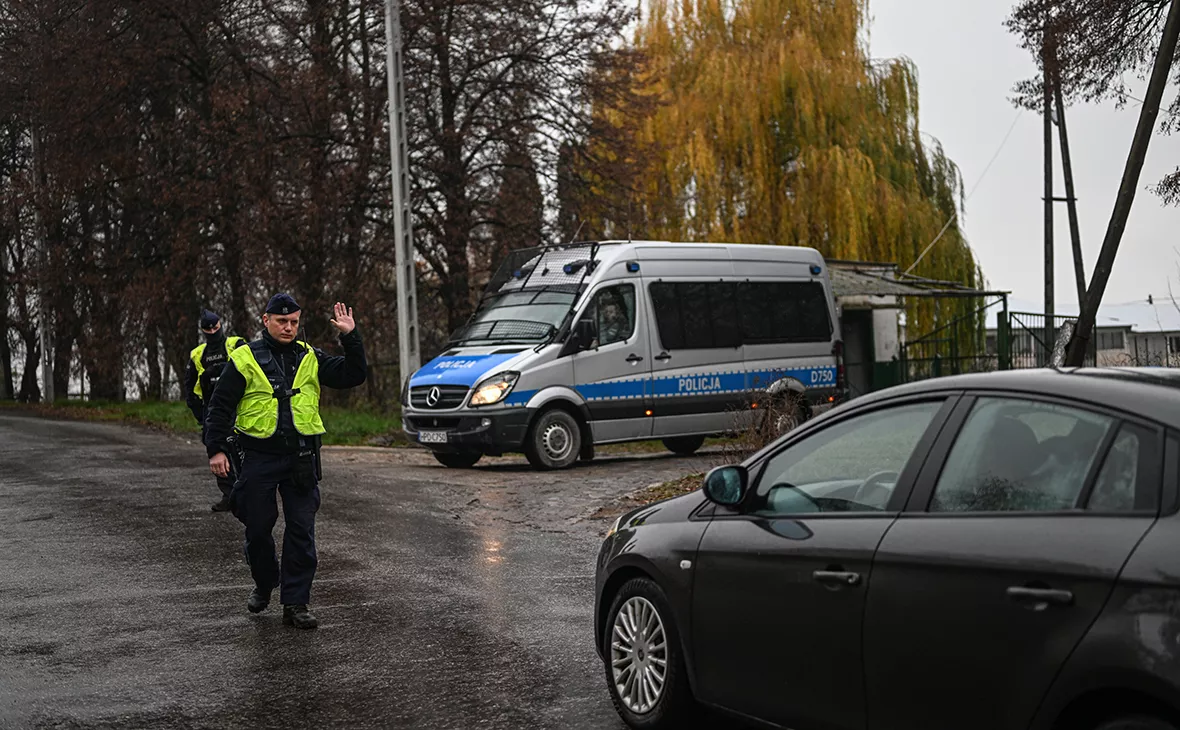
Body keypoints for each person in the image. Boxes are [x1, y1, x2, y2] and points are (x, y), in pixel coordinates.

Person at [203, 294, 367, 629]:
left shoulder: (310, 356)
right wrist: (216, 450)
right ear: (266, 320)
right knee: (257, 527)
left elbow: (353, 374)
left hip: (301, 456)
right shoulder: (245, 358)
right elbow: (219, 406)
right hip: (259, 456)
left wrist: (350, 337)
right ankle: (265, 582)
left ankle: (296, 603)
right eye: (282, 322)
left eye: (294, 322)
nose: (289, 328)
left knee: (302, 531)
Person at [184, 310, 246, 512]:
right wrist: (200, 415)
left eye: (215, 328)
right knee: (218, 453)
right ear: (202, 330)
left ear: (221, 325)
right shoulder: (197, 354)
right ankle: (229, 495)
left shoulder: (236, 345)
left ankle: (247, 493)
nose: (212, 331)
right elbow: (189, 387)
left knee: (242, 453)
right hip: (211, 411)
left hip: (239, 409)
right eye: (207, 329)